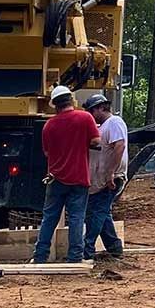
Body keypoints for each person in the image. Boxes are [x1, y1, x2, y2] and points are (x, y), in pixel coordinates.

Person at [35, 85, 101, 262]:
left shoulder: (49, 126)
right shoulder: (85, 118)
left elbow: (48, 153)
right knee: (76, 218)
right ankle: (75, 256)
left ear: (55, 105)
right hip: (79, 178)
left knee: (49, 217)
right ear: (71, 100)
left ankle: (40, 256)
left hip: (56, 178)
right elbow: (96, 141)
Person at [84, 91, 128, 259]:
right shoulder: (102, 127)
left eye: (92, 111)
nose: (91, 115)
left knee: (97, 213)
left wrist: (110, 172)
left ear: (102, 108)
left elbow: (119, 146)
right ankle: (114, 248)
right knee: (101, 213)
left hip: (111, 178)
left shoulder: (114, 122)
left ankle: (86, 249)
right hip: (100, 180)